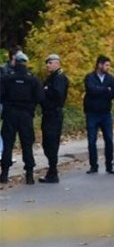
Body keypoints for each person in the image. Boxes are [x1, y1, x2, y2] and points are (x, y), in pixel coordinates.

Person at [0, 52, 44, 185]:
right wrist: (31, 106)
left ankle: (4, 174)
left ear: (15, 63)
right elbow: (40, 97)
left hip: (10, 114)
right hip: (26, 115)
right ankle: (29, 175)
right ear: (26, 63)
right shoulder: (33, 79)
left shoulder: (7, 78)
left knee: (8, 144)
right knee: (27, 144)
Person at [83, 55, 114, 174]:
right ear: (99, 65)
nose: (108, 67)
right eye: (106, 65)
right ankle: (93, 165)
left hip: (105, 113)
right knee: (92, 140)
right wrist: (105, 89)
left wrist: (102, 90)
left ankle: (109, 165)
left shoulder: (111, 78)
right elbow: (91, 90)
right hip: (92, 113)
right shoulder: (90, 77)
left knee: (109, 139)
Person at [38, 54, 69, 184]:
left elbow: (57, 94)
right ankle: (52, 170)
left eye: (50, 63)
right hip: (48, 113)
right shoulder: (52, 77)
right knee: (47, 143)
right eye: (47, 63)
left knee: (51, 143)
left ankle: (53, 171)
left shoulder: (59, 78)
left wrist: (46, 90)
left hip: (54, 114)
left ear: (57, 63)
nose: (47, 65)